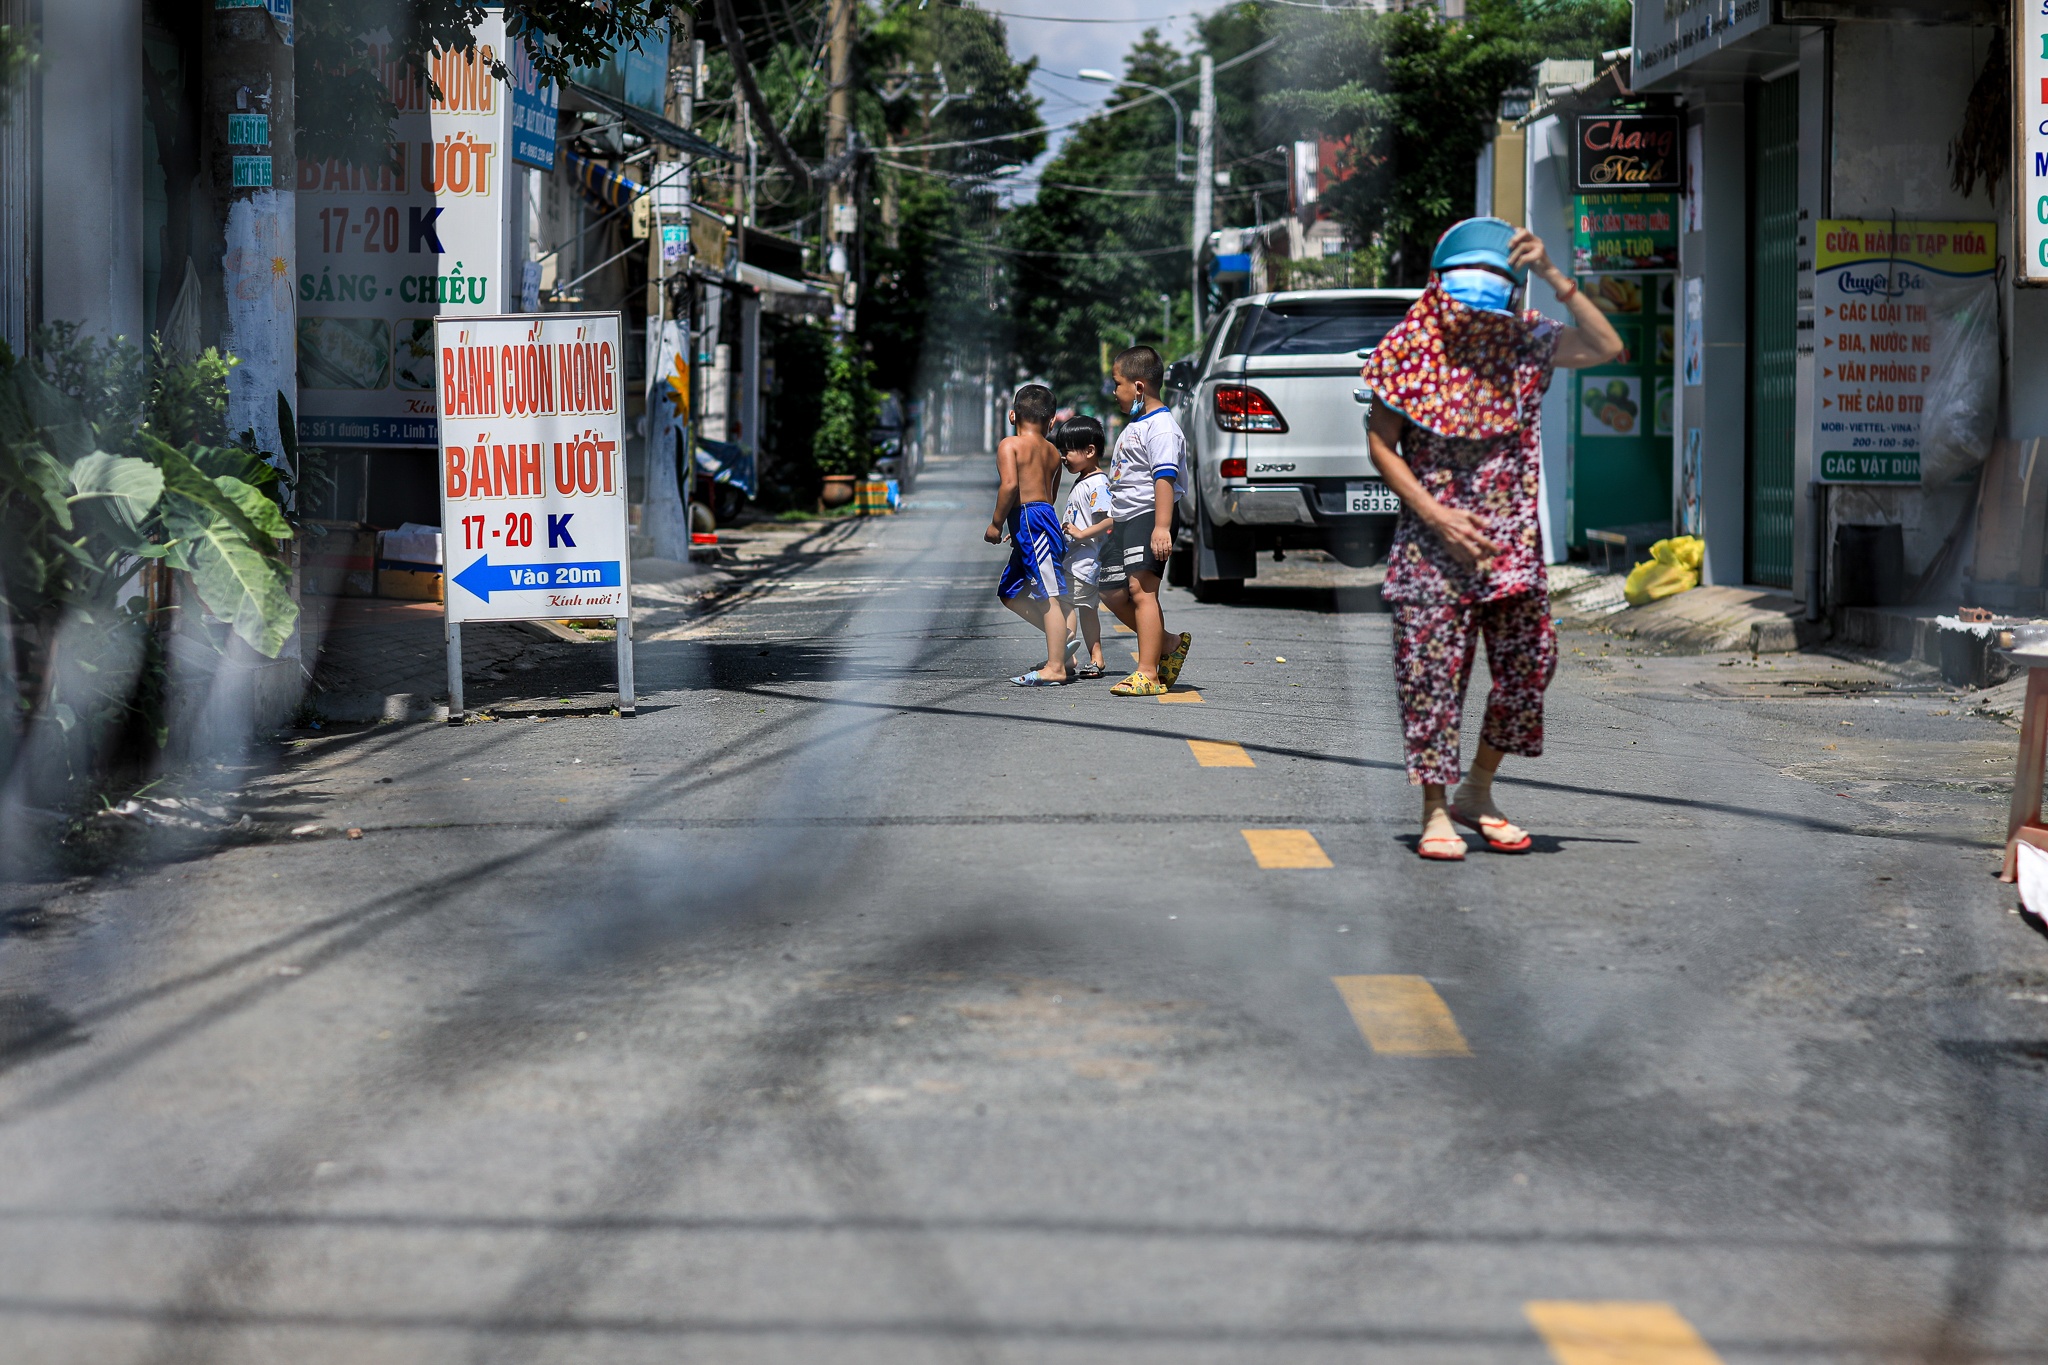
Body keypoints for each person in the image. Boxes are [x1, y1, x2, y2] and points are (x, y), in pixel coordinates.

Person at [1360, 218, 1622, 861]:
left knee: (1530, 666)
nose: (1475, 311)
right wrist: (1437, 515)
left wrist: (1552, 272)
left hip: (1512, 550)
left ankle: (1477, 789)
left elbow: (1606, 345)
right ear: (1438, 284)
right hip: (1432, 552)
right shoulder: (1409, 347)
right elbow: (1381, 444)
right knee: (1431, 679)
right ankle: (1434, 810)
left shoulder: (1525, 340)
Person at [1099, 346, 1192, 696]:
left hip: (1149, 516)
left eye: (1117, 383)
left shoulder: (1162, 428)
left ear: (1138, 387)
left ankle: (1148, 673)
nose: (1114, 391)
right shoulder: (1136, 425)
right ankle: (1166, 642)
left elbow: (1164, 479)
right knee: (1110, 590)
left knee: (1142, 591)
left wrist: (1162, 527)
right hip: (1123, 519)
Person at [985, 383, 1072, 686]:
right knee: (1010, 591)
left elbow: (1010, 486)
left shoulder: (1009, 445)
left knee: (1047, 594)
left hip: (1030, 521)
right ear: (1051, 421)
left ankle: (1056, 666)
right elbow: (1049, 496)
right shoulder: (1053, 453)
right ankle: (1061, 639)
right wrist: (1018, 527)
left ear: (1013, 415)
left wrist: (996, 524)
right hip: (1037, 519)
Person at [1055, 415, 1114, 679]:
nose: (1063, 456)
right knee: (1087, 610)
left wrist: (1080, 533)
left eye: (1067, 450)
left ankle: (1065, 658)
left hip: (1084, 560)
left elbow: (1110, 520)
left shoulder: (1097, 483)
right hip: (1079, 559)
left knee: (1065, 604)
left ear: (1089, 451)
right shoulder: (1084, 480)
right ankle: (1095, 658)